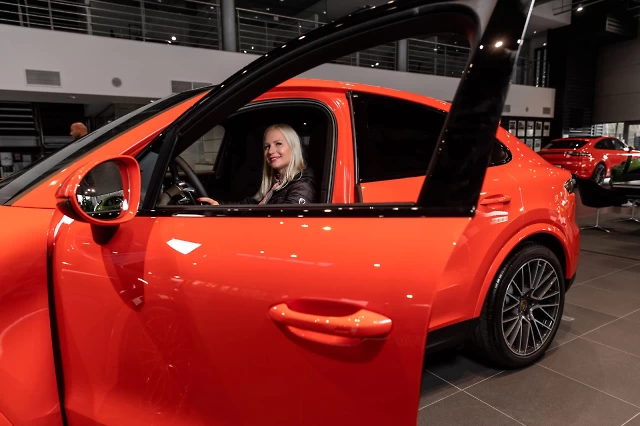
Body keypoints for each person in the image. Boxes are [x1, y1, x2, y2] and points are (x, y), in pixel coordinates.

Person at [198, 124, 316, 205]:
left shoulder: (302, 187)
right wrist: (219, 206)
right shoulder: (277, 181)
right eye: (267, 146)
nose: (270, 151)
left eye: (278, 144)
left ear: (293, 147)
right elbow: (253, 204)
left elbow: (286, 225)